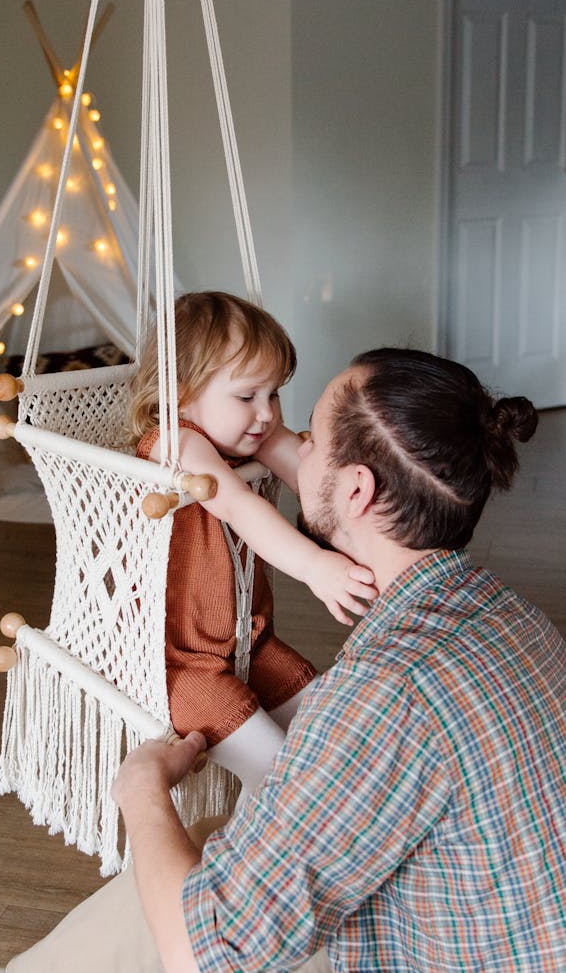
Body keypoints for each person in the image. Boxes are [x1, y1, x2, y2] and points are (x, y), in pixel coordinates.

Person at [109, 347, 566, 972]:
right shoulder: (516, 617)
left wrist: (138, 789)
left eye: (311, 438)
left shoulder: (384, 694)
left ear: (356, 489)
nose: (285, 438)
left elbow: (203, 955)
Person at [129, 291, 376, 793]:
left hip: (249, 644)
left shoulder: (249, 431)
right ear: (180, 392)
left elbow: (312, 479)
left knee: (334, 733)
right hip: (179, 667)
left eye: (274, 394)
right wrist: (315, 566)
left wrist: (372, 549)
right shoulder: (174, 441)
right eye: (246, 396)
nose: (265, 414)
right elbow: (238, 505)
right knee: (278, 770)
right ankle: (260, 860)